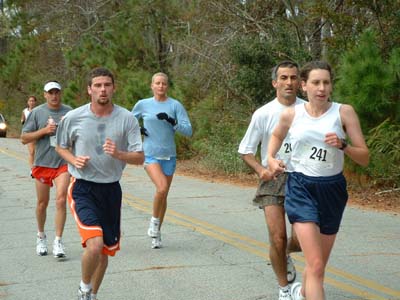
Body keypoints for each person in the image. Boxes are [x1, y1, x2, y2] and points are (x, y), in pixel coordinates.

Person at [267, 61, 369, 300]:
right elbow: (276, 135)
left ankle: (301, 292)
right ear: (304, 86)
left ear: (331, 86)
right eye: (315, 82)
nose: (321, 88)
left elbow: (364, 157)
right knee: (314, 263)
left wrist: (343, 146)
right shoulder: (292, 114)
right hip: (301, 187)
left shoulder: (344, 112)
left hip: (332, 189)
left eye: (326, 82)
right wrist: (271, 159)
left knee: (318, 267)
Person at [55, 67, 144, 300]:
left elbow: (140, 157)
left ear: (114, 88)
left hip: (111, 190)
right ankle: (83, 289)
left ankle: (92, 295)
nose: (102, 89)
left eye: (106, 85)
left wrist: (119, 154)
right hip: (83, 187)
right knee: (94, 246)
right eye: (97, 85)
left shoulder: (127, 119)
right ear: (89, 90)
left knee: (103, 254)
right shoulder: (74, 117)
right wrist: (73, 159)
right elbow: (60, 146)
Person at [238, 61, 304, 300]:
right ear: (275, 82)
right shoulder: (263, 113)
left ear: (300, 82)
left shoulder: (309, 110)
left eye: (293, 78)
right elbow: (245, 150)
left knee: (298, 239)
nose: (289, 82)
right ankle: (285, 288)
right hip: (273, 179)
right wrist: (260, 170)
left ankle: (283, 254)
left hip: (303, 179)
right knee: (277, 237)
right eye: (284, 78)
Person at [132, 72, 192, 249]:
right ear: (151, 85)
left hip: (169, 155)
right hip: (150, 154)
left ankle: (157, 233)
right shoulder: (143, 104)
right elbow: (127, 121)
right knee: (162, 187)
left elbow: (188, 130)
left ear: (167, 86)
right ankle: (154, 221)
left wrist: (172, 121)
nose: (160, 86)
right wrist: (139, 130)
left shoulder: (175, 105)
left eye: (164, 84)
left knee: (163, 194)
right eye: (157, 83)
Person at [21, 81, 71, 258]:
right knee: (42, 203)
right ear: (45, 95)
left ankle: (58, 241)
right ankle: (41, 236)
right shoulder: (37, 112)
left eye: (57, 92)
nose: (54, 96)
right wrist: (44, 131)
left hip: (62, 162)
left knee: (61, 199)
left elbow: (78, 135)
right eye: (50, 93)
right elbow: (24, 138)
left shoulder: (69, 111)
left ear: (61, 93)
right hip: (43, 162)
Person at [21, 95, 38, 171]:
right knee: (31, 151)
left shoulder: (38, 110)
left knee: (37, 151)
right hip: (29, 133)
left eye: (33, 101)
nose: (31, 102)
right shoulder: (25, 111)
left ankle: (38, 166)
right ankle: (32, 169)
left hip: (38, 133)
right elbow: (22, 120)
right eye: (30, 101)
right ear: (28, 102)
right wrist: (23, 122)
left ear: (35, 102)